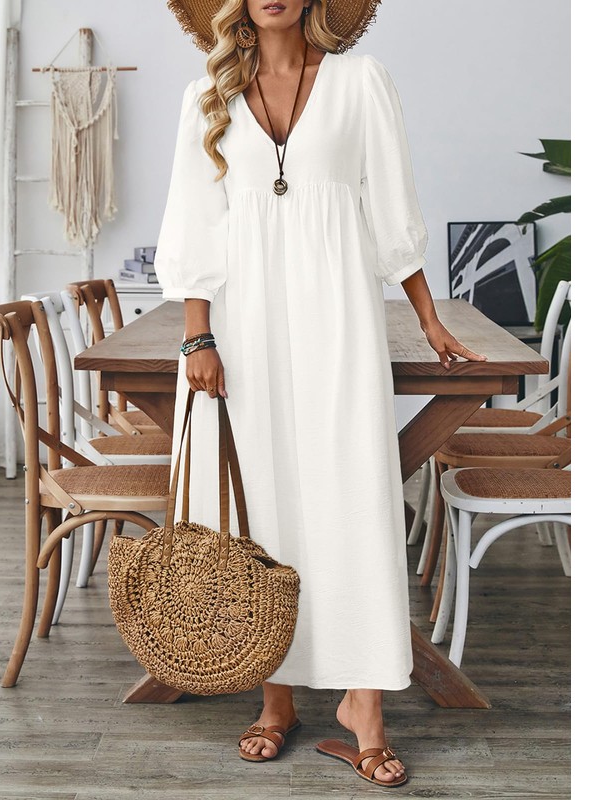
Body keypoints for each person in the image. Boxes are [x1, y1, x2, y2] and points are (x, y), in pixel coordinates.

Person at [154, 0, 486, 787]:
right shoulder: (207, 94)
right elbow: (195, 220)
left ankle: (362, 706)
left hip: (338, 316)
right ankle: (274, 696)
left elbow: (391, 211)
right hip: (242, 325)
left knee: (352, 496)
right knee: (260, 504)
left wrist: (429, 318)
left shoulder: (361, 82)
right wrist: (198, 336)